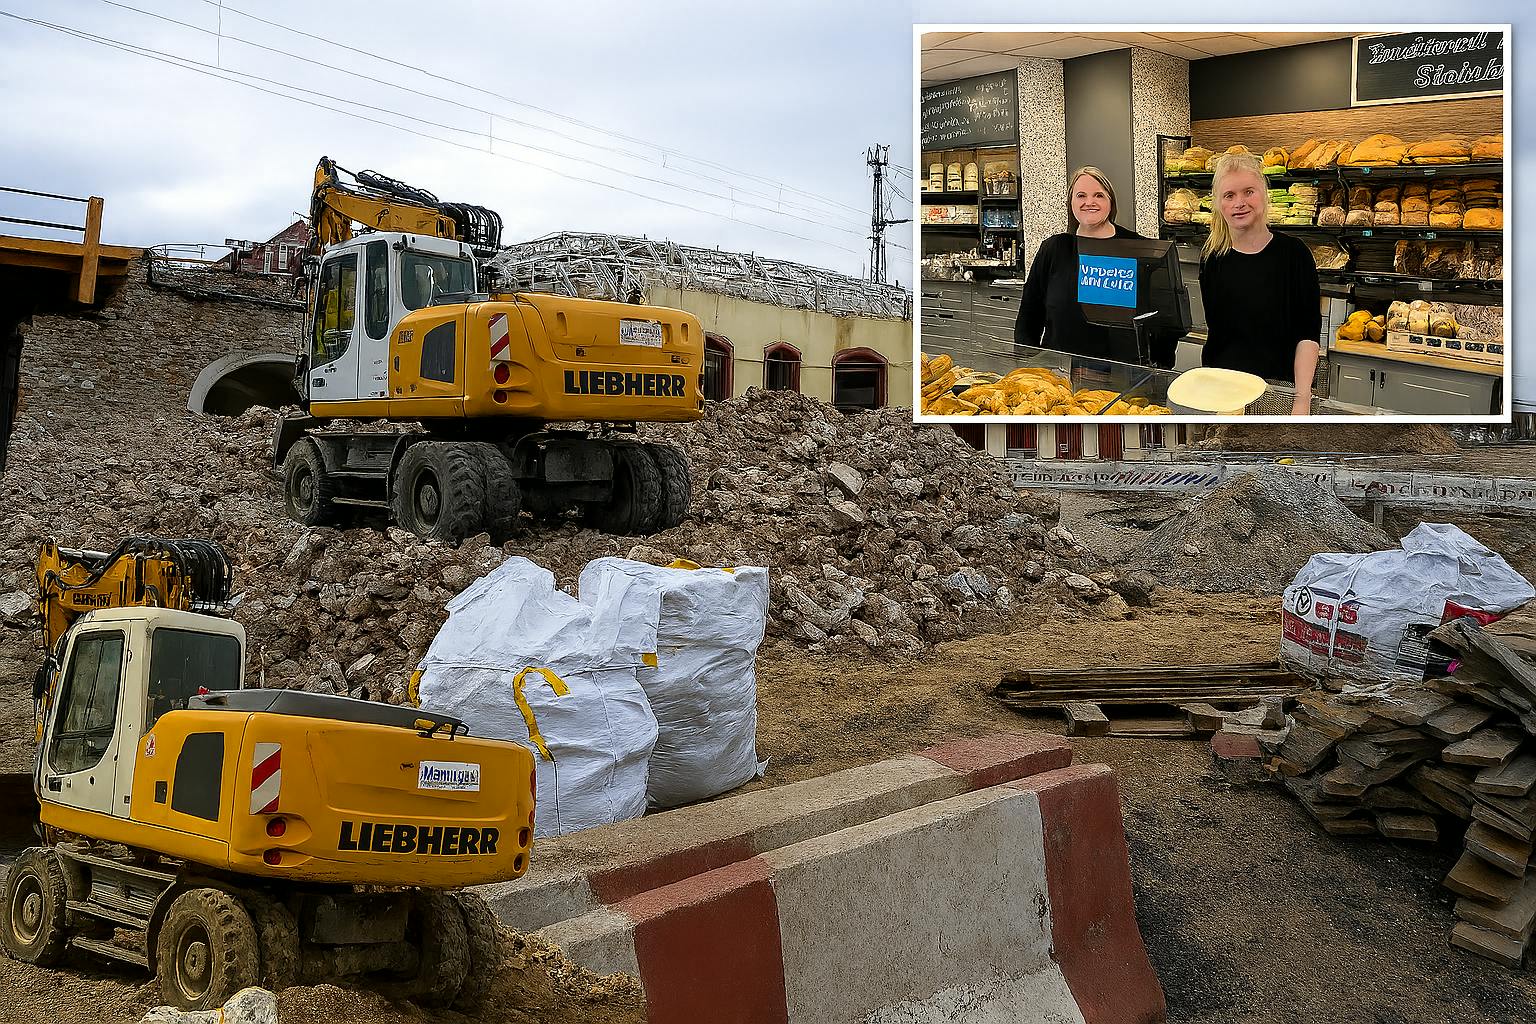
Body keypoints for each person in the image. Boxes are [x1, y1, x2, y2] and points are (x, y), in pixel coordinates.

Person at [1199, 152, 1321, 416]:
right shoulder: (1212, 258)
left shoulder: (1294, 254)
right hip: (1225, 391)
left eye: (1248, 192)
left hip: (1279, 391)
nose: (1239, 203)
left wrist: (1302, 399)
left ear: (1264, 195)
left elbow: (1308, 334)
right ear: (1218, 204)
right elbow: (1219, 334)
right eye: (1229, 195)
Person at [1015, 166, 1168, 364]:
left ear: (1110, 202)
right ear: (1071, 203)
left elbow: (1162, 321)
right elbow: (1029, 316)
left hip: (1123, 377)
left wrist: (1157, 372)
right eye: (1081, 196)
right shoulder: (1054, 249)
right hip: (1061, 374)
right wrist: (1029, 366)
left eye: (1099, 195)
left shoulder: (1140, 249)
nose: (1089, 202)